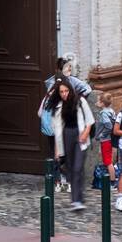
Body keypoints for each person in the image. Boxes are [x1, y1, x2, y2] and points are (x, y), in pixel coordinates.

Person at [48, 75, 94, 211]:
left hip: (80, 135)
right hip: (66, 136)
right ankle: (76, 199)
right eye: (61, 92)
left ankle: (78, 198)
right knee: (70, 168)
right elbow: (57, 130)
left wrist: (85, 133)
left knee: (77, 167)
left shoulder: (80, 101)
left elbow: (90, 120)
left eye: (66, 91)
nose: (64, 94)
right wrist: (57, 150)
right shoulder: (57, 106)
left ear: (70, 90)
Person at [95, 91, 116, 191]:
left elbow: (108, 126)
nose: (97, 102)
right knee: (107, 160)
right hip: (110, 139)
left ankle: (112, 182)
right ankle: (110, 179)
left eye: (98, 100)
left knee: (108, 161)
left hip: (106, 140)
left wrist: (101, 135)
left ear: (102, 103)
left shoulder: (104, 113)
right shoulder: (111, 111)